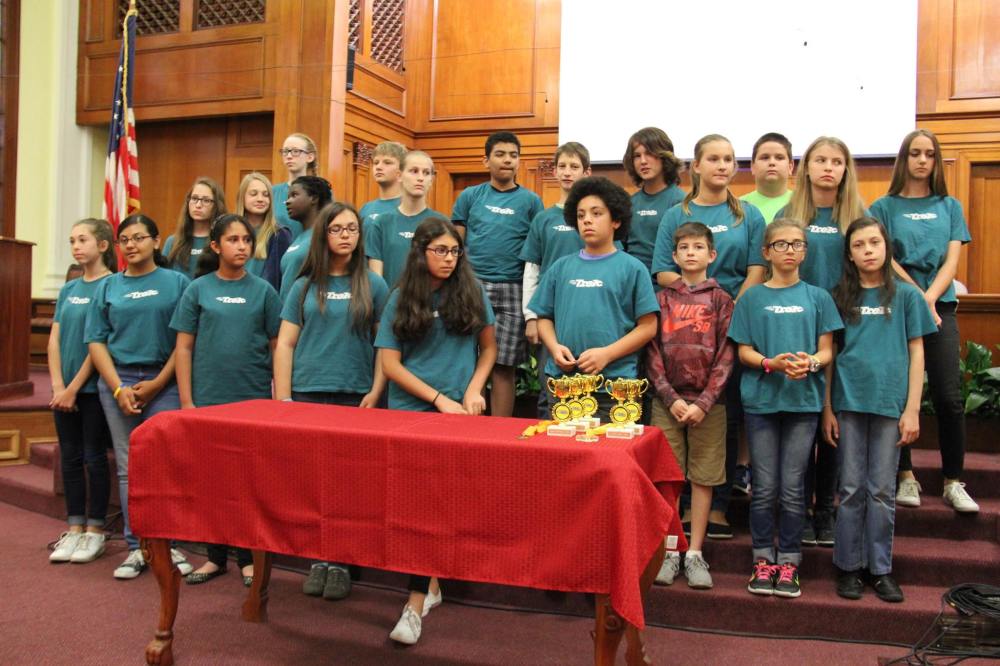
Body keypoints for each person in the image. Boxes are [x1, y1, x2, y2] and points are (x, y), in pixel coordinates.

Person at [375, 216, 496, 645]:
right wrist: (437, 399)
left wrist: (474, 389)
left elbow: (488, 348)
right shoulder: (400, 296)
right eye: (440, 251)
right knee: (416, 507)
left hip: (458, 412)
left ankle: (420, 597)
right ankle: (421, 593)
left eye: (454, 251)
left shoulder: (471, 289)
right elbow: (390, 364)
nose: (449, 258)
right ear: (420, 253)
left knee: (438, 504)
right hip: (411, 412)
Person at [652, 134, 767, 540]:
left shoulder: (748, 214)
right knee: (680, 428)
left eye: (728, 159)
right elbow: (662, 270)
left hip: (731, 319)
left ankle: (717, 506)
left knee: (724, 413)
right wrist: (697, 297)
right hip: (683, 322)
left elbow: (757, 270)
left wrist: (728, 308)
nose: (722, 165)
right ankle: (680, 511)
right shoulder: (675, 214)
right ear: (696, 166)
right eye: (713, 159)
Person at [275, 202, 389, 601]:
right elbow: (285, 344)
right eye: (337, 229)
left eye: (352, 229)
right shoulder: (303, 286)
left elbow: (385, 344)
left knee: (349, 483)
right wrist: (283, 398)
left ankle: (341, 561)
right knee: (314, 482)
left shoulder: (374, 284)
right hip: (307, 393)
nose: (346, 235)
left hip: (356, 394)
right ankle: (318, 558)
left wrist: (376, 390)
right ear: (323, 234)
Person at [727, 219, 843, 598]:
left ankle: (789, 562)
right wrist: (770, 364)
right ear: (766, 252)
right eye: (781, 244)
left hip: (803, 403)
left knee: (793, 488)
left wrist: (810, 362)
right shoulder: (751, 298)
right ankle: (763, 560)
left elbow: (827, 351)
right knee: (764, 487)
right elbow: (743, 351)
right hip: (761, 403)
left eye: (797, 244)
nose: (789, 250)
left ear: (805, 252)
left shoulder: (818, 297)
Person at [824, 217, 936, 603]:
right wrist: (827, 408)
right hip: (848, 402)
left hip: (890, 405)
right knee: (851, 488)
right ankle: (848, 567)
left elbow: (917, 352)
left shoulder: (906, 296)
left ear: (887, 248)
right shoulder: (839, 296)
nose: (868, 250)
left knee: (883, 490)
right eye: (859, 245)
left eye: (874, 242)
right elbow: (830, 354)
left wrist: (913, 409)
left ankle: (880, 568)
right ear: (849, 255)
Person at [170, 214, 282, 587]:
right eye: (233, 240)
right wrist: (187, 401)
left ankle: (248, 558)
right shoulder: (197, 289)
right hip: (207, 400)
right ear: (216, 246)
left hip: (252, 401)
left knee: (248, 484)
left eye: (246, 240)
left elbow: (278, 346)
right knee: (212, 483)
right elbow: (184, 348)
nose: (242, 246)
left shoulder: (264, 291)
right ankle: (215, 557)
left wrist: (278, 398)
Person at [870, 129, 977, 514]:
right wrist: (917, 296)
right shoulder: (883, 206)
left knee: (949, 396)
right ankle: (905, 475)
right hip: (898, 305)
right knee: (899, 394)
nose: (921, 160)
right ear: (904, 158)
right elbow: (884, 258)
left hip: (939, 307)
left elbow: (952, 262)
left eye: (929, 154)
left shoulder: (949, 206)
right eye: (915, 153)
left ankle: (953, 481)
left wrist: (929, 299)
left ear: (935, 160)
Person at [85, 214, 193, 580]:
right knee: (128, 467)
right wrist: (118, 388)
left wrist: (159, 383)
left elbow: (184, 341)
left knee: (165, 466)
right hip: (119, 382)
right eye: (125, 240)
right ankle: (137, 546)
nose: (131, 245)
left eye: (139, 238)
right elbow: (96, 342)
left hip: (165, 382)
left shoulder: (177, 283)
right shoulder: (108, 286)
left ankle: (168, 543)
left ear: (156, 241)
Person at [781, 136, 867, 547]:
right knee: (806, 418)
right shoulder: (790, 213)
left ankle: (826, 510)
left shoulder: (857, 214)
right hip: (799, 322)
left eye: (836, 161)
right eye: (820, 160)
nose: (828, 168)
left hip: (847, 322)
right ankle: (798, 508)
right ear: (807, 167)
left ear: (846, 169)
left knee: (834, 422)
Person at [527, 176, 659, 420]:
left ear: (616, 220)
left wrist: (607, 354)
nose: (587, 220)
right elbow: (544, 317)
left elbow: (648, 326)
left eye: (596, 213)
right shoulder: (560, 267)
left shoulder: (633, 268)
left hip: (615, 388)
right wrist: (554, 347)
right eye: (581, 215)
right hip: (565, 385)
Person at [648, 222, 734, 590]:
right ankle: (670, 550)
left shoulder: (722, 300)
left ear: (711, 255)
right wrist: (669, 397)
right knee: (668, 478)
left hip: (708, 405)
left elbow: (727, 354)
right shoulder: (662, 299)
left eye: (698, 247)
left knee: (703, 477)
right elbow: (651, 351)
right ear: (674, 255)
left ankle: (695, 552)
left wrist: (704, 402)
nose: (691, 253)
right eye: (684, 247)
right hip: (667, 403)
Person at [451, 131, 543, 417]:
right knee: (469, 360)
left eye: (513, 155)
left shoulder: (531, 201)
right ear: (486, 160)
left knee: (504, 365)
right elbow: (455, 244)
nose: (507, 160)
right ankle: (468, 424)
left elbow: (536, 253)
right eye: (500, 154)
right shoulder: (469, 196)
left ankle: (499, 430)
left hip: (514, 288)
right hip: (473, 285)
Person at [46, 218, 116, 564]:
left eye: (83, 239)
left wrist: (74, 388)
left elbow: (97, 343)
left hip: (91, 390)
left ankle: (95, 529)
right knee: (70, 457)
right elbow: (55, 339)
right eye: (72, 240)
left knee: (93, 457)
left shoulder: (111, 285)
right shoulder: (69, 289)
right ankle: (74, 528)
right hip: (64, 391)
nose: (76, 246)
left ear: (102, 245)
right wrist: (59, 386)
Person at [520, 141, 593, 417]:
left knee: (586, 387)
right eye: (562, 166)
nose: (567, 172)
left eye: (574, 166)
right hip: (549, 315)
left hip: (585, 310)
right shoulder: (543, 219)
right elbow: (532, 269)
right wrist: (531, 316)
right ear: (554, 171)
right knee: (548, 388)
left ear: (586, 172)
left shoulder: (594, 218)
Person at [366, 150, 444, 288]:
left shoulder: (441, 223)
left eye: (426, 173)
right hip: (390, 299)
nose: (420, 178)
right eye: (414, 171)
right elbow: (376, 279)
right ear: (399, 175)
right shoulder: (381, 222)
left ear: (431, 179)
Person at [622, 127, 686, 275]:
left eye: (649, 154)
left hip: (669, 283)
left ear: (665, 157)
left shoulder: (680, 201)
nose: (643, 161)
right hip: (632, 281)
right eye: (637, 156)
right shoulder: (629, 204)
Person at [278, 175, 334, 302]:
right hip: (287, 311)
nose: (288, 201)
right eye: (288, 197)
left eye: (294, 195)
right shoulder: (299, 238)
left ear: (314, 198)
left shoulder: (326, 237)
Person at [237, 172, 292, 291]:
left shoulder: (279, 234)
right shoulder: (228, 232)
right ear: (242, 197)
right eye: (253, 194)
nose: (260, 199)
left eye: (266, 195)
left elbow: (279, 282)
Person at [164, 177, 228, 279]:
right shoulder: (172, 242)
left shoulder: (223, 242)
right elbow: (164, 279)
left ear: (217, 205)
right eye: (194, 198)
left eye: (206, 200)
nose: (198, 205)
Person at [741, 133, 795, 224]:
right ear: (752, 166)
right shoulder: (738, 206)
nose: (772, 162)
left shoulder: (804, 204)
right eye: (765, 158)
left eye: (779, 158)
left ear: (790, 166)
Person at [272, 133, 319, 238]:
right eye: (285, 151)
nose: (289, 156)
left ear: (310, 157)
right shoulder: (272, 192)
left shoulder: (320, 191)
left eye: (295, 151)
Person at [359, 141, 406, 230]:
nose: (378, 167)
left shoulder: (409, 207)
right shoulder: (366, 208)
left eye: (387, 162)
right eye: (376, 162)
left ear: (402, 169)